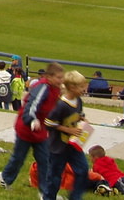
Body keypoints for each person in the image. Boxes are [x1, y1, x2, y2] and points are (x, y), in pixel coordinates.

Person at [0, 62, 65, 194]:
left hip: (40, 132)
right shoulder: (43, 88)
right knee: (19, 157)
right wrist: (32, 120)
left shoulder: (56, 89)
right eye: (58, 77)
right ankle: (5, 177)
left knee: (44, 160)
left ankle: (45, 192)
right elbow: (31, 105)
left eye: (62, 77)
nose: (61, 80)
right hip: (26, 128)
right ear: (49, 77)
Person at [45, 70, 89, 200]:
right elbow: (48, 122)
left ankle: (75, 197)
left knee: (83, 170)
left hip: (73, 145)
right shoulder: (60, 105)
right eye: (81, 87)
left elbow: (79, 113)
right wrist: (67, 130)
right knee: (55, 176)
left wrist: (82, 119)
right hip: (58, 147)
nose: (84, 89)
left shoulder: (79, 101)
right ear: (72, 87)